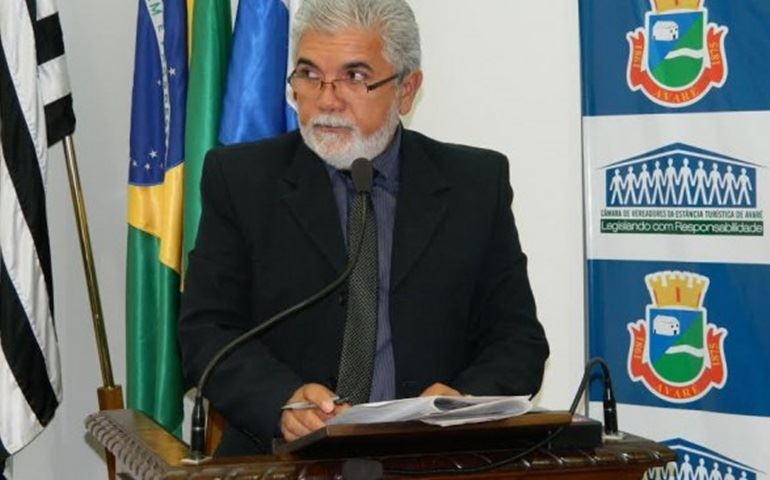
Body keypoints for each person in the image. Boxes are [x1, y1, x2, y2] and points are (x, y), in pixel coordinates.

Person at [178, 0, 549, 456]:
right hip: (282, 462)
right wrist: (281, 400)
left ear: (406, 90)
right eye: (309, 74)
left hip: (433, 459)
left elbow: (518, 341)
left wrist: (461, 402)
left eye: (354, 77)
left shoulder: (474, 185)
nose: (327, 100)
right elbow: (206, 331)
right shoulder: (242, 180)